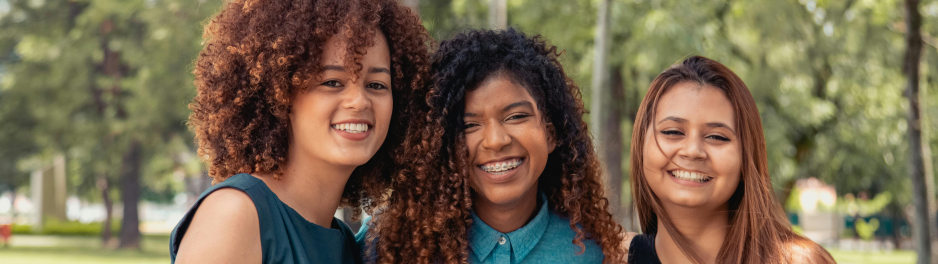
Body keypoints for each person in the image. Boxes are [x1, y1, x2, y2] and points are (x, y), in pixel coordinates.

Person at [169, 0, 431, 263]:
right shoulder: (236, 215)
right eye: (331, 82)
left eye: (377, 84)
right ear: (279, 94)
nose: (359, 101)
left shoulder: (350, 247)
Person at [356, 29, 626, 263]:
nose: (496, 141)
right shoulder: (387, 247)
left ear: (551, 132)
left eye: (516, 116)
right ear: (442, 146)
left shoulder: (596, 253)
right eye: (469, 125)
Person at [624, 56, 835, 264]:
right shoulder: (607, 256)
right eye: (672, 132)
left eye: (717, 136)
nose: (693, 151)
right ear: (641, 145)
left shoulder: (799, 261)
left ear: (746, 158)